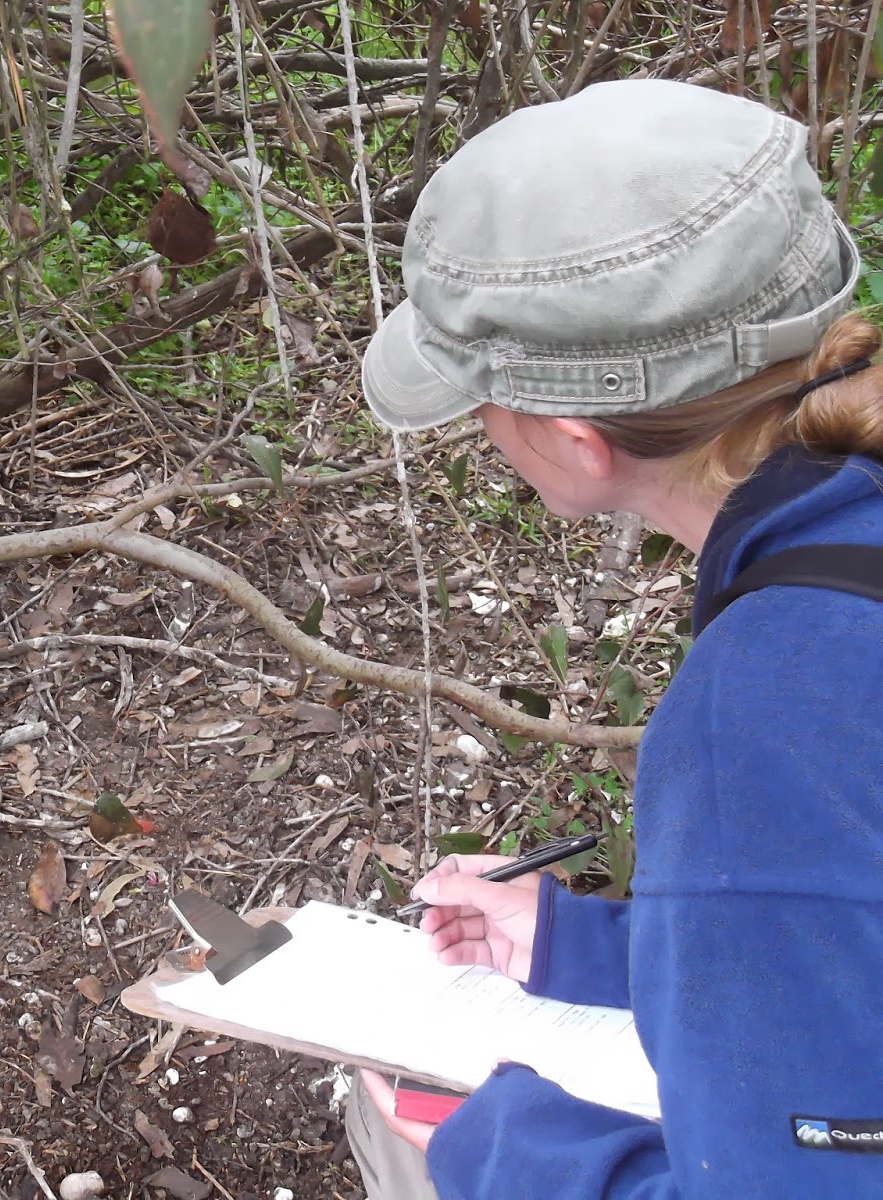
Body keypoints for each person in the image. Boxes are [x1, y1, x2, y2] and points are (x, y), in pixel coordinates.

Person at [345, 77, 883, 1198]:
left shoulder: (763, 720)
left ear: (575, 441)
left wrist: (511, 1150)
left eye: (477, 401)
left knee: (389, 1128)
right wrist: (599, 950)